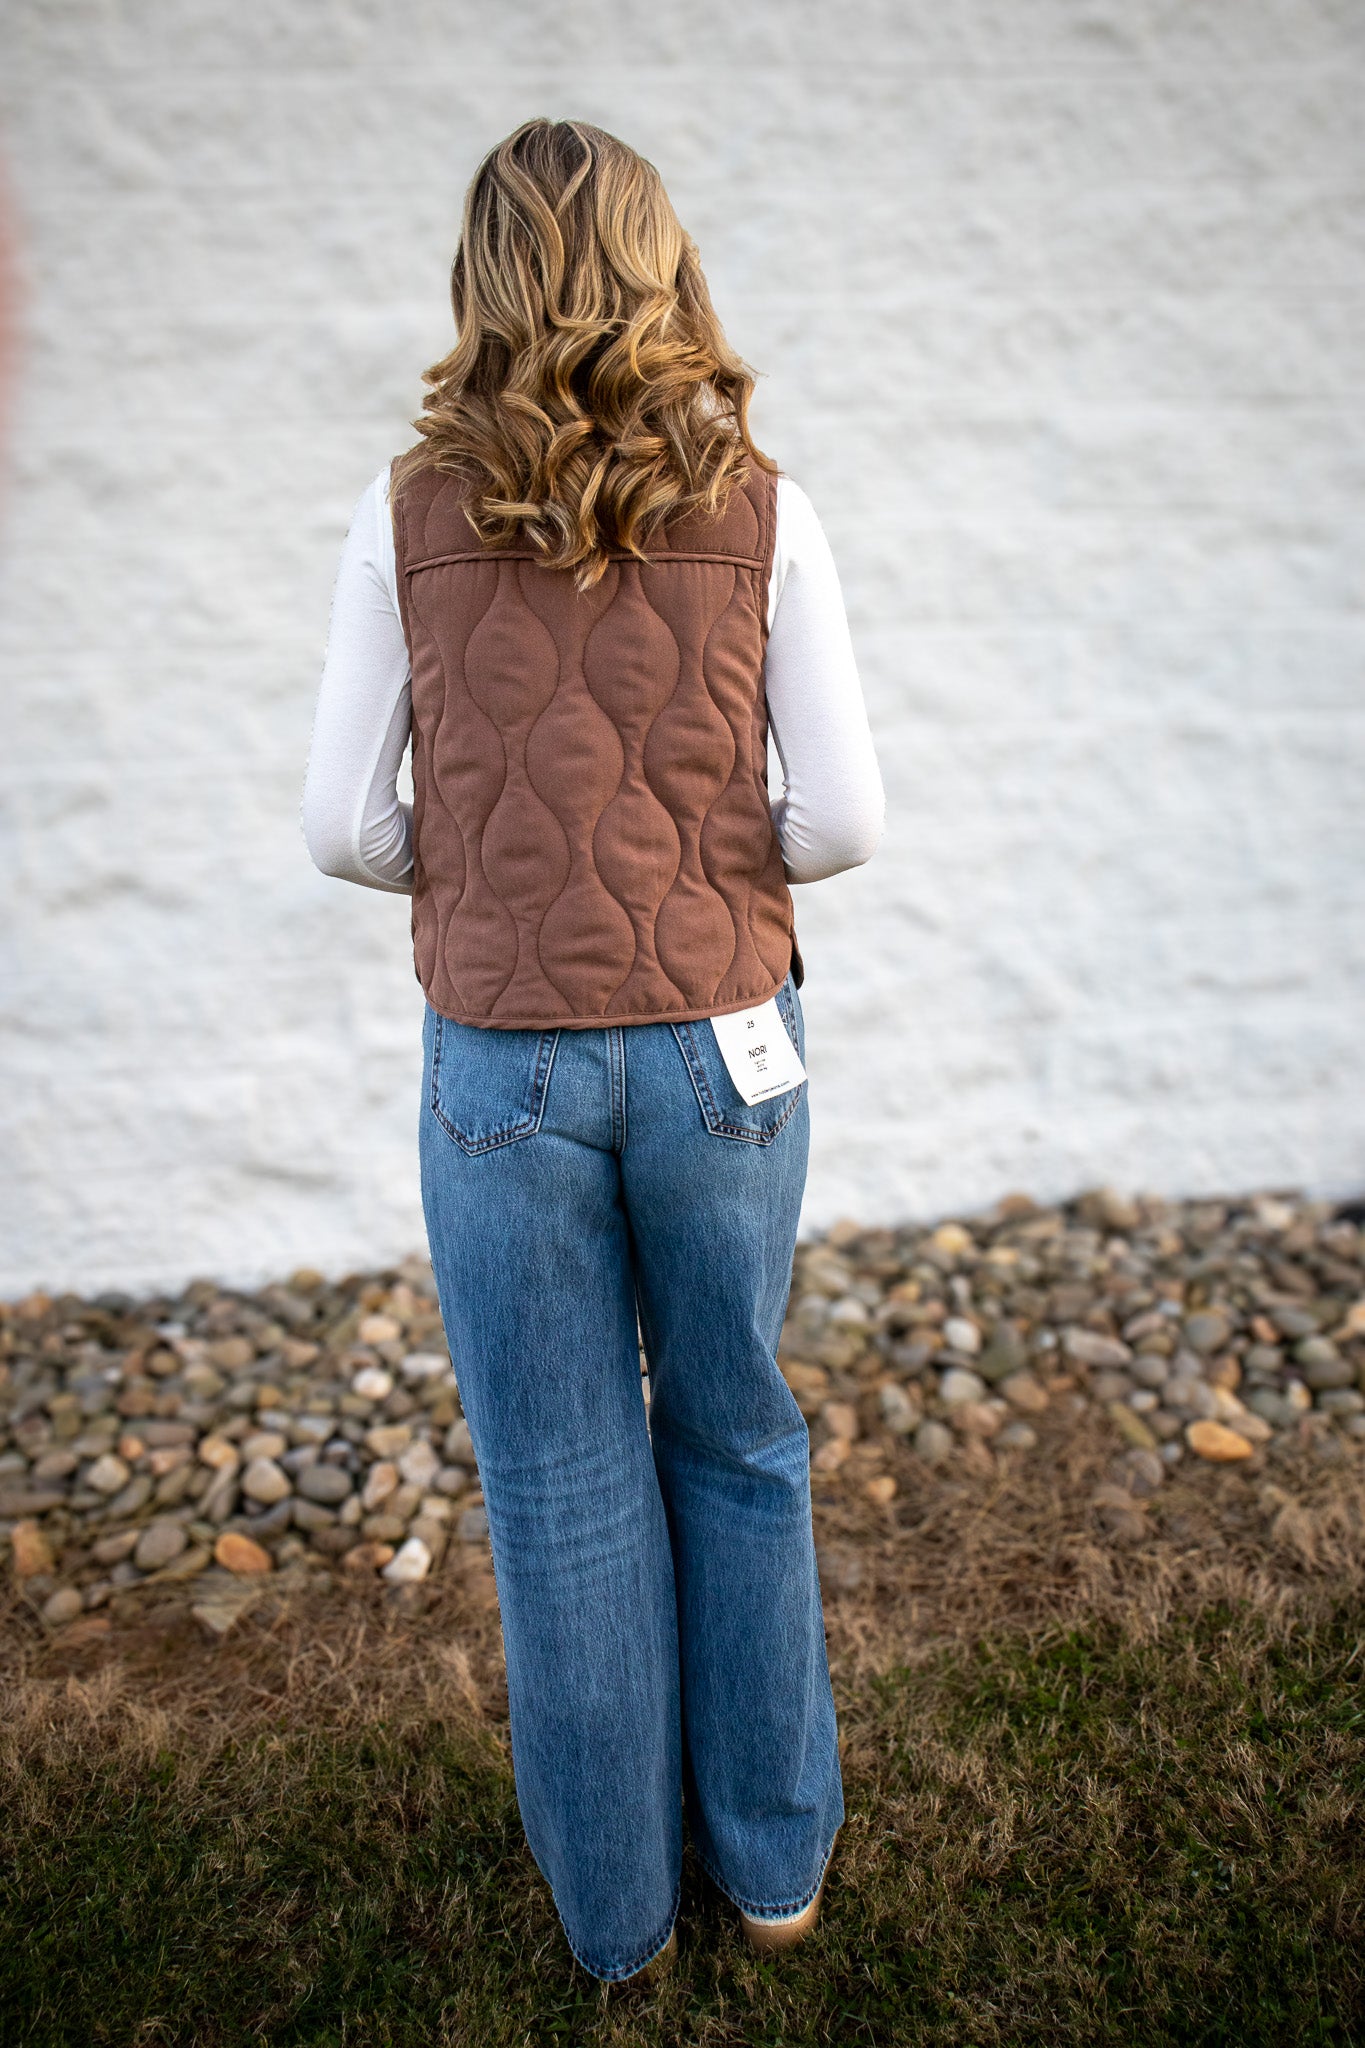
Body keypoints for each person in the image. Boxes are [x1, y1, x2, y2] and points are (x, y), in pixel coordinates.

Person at [302, 117, 884, 1985]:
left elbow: (338, 826)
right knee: (736, 1437)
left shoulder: (404, 513)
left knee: (558, 1485)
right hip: (726, 1048)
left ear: (481, 284)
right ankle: (776, 1872)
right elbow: (848, 818)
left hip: (505, 1069)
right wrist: (720, 859)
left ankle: (618, 1925)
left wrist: (462, 874)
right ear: (663, 263)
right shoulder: (767, 507)